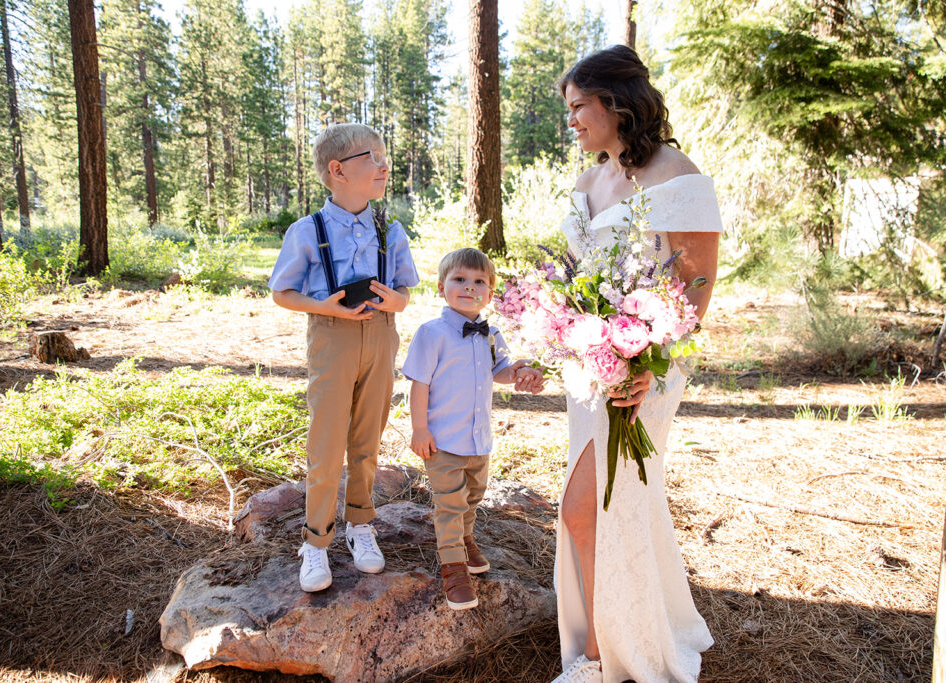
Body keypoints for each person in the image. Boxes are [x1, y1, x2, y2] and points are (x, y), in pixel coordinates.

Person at [552, 45, 722, 683]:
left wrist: (653, 358)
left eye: (578, 107)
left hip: (650, 365)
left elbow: (698, 283)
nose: (571, 120)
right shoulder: (588, 181)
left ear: (615, 103)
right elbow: (573, 275)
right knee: (614, 505)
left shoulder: (677, 175)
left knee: (588, 503)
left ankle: (602, 659)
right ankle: (624, 634)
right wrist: (560, 324)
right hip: (589, 364)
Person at [269, 123, 419, 593]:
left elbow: (405, 290)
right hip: (331, 337)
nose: (383, 166)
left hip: (380, 336)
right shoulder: (308, 230)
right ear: (337, 171)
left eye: (383, 157)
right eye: (372, 158)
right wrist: (324, 305)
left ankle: (360, 525)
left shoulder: (388, 229)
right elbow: (282, 291)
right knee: (327, 442)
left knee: (367, 437)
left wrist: (396, 303)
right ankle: (316, 541)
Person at [402, 248, 544, 610]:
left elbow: (502, 371)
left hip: (478, 439)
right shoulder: (431, 333)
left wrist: (521, 370)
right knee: (450, 503)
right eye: (460, 280)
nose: (470, 287)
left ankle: (465, 539)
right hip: (443, 439)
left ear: (491, 293)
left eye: (479, 281)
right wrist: (420, 429)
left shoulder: (491, 333)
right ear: (441, 287)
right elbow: (418, 383)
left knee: (473, 496)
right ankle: (452, 566)